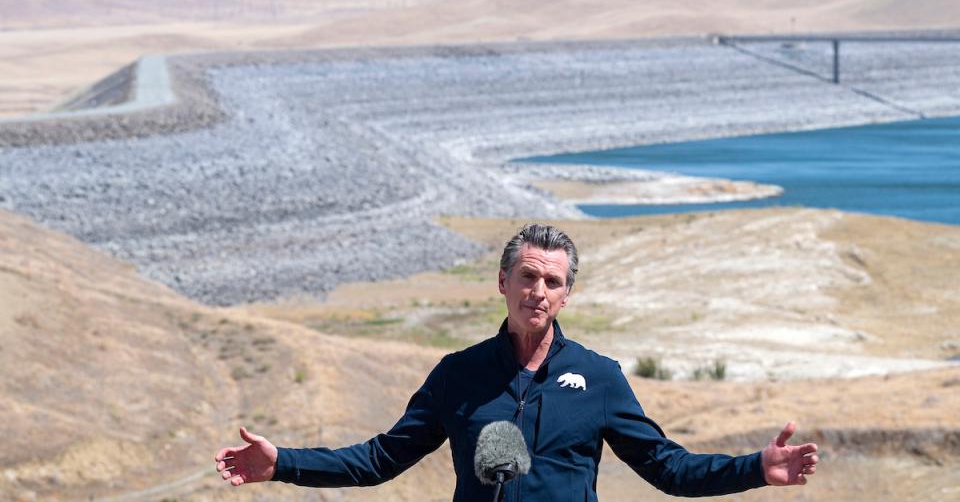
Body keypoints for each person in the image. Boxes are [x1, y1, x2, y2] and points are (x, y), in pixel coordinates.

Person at [215, 224, 819, 499]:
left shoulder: (600, 378)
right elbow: (380, 459)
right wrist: (282, 464)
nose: (538, 291)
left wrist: (754, 469)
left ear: (566, 295)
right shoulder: (459, 374)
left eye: (552, 281)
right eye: (527, 276)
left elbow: (668, 468)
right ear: (503, 281)